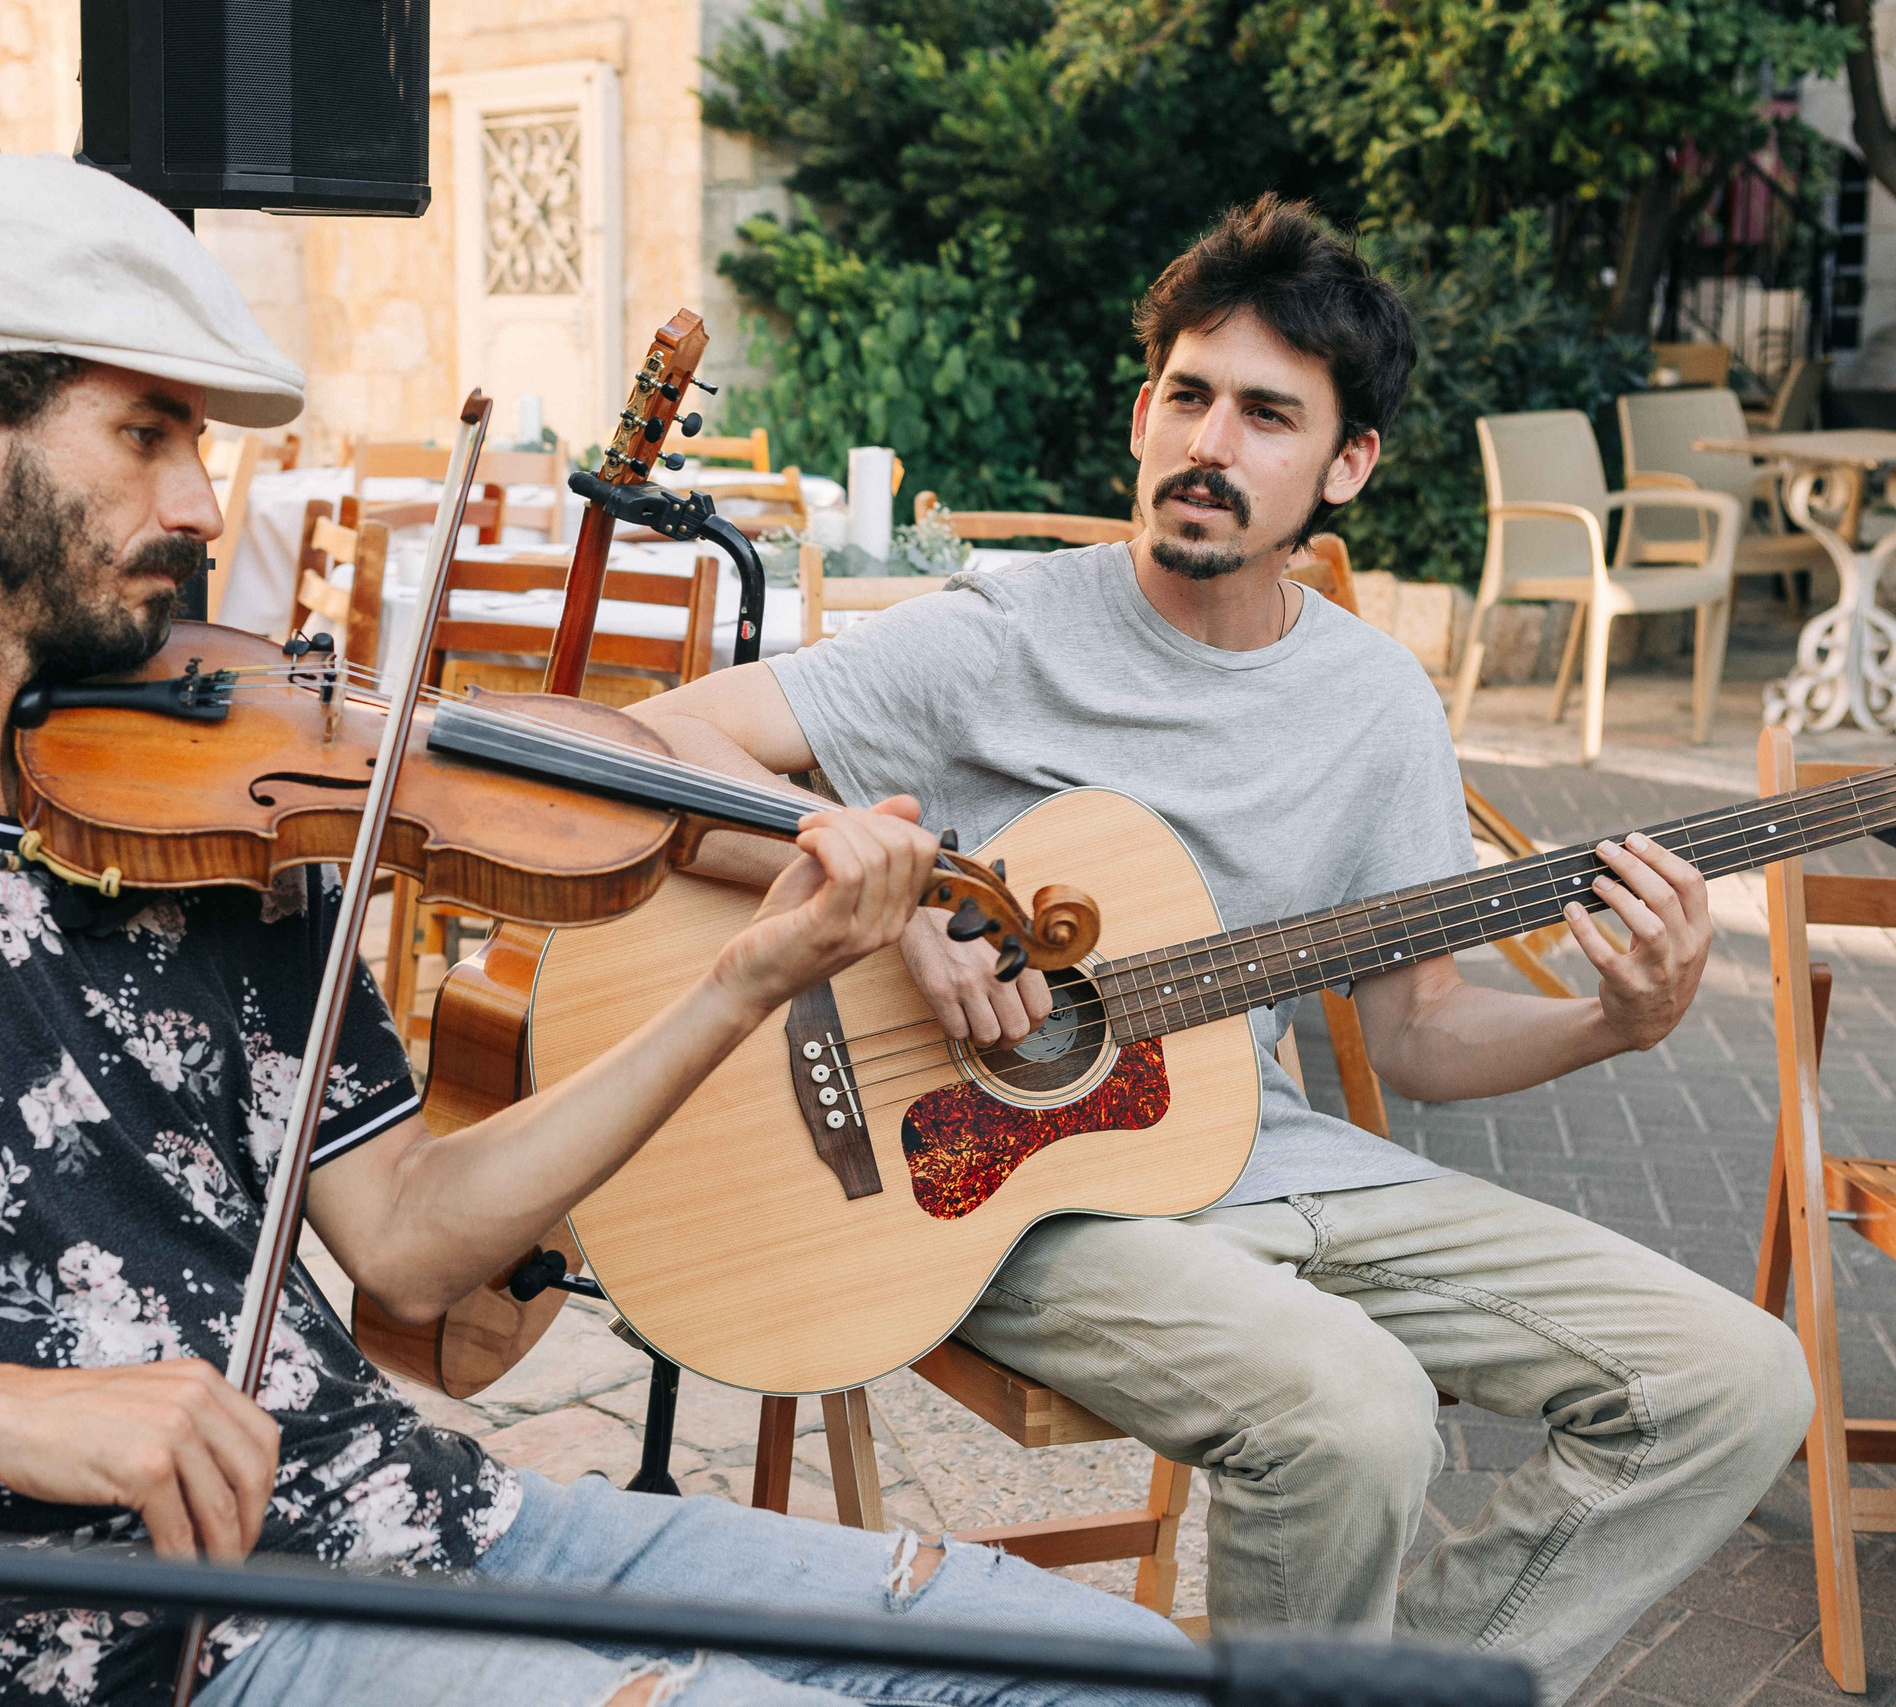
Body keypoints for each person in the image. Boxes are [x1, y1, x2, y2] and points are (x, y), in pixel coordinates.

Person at [0, 151, 1189, 1707]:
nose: (201, 502)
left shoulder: (217, 822)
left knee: (1097, 1663)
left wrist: (744, 981)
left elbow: (410, 1243)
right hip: (149, 1648)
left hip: (428, 1524)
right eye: (150, 431)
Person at [631, 195, 1811, 1707]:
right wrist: (896, 898)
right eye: (1190, 395)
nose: (1214, 441)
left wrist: (1613, 1025)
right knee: (1360, 1410)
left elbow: (1420, 1037)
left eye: (1268, 415)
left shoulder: (1378, 703)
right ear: (1141, 414)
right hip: (1000, 1179)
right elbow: (654, 746)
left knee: (1735, 1381)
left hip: (1276, 1156)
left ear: (1348, 468)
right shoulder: (1001, 633)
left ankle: (1343, 1695)